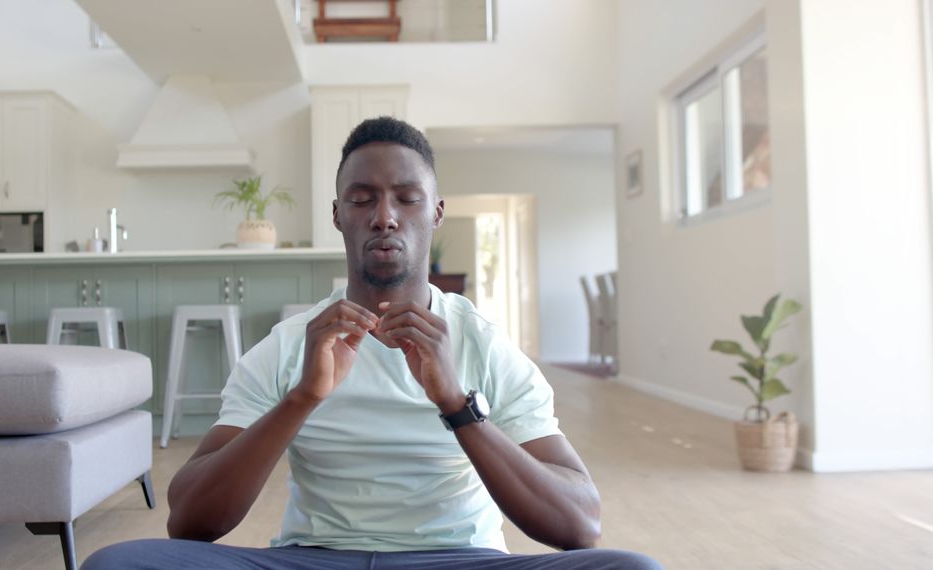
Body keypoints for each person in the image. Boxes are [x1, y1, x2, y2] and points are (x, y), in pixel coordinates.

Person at [83, 117, 661, 570]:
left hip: (458, 562)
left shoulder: (486, 347)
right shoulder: (290, 346)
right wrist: (302, 399)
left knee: (634, 569)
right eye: (362, 199)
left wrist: (457, 405)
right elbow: (189, 521)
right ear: (338, 215)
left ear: (435, 213)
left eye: (406, 198)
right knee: (118, 563)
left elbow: (579, 525)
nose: (385, 216)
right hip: (313, 559)